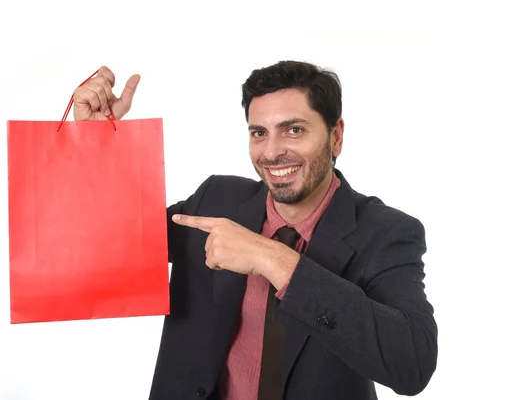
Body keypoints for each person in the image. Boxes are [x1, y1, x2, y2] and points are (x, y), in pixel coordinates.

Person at [73, 61, 438, 399]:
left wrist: (273, 258)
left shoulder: (387, 232)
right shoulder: (216, 200)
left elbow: (412, 365)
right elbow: (114, 241)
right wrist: (96, 144)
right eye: (259, 133)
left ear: (336, 136)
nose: (272, 152)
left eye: (294, 130)